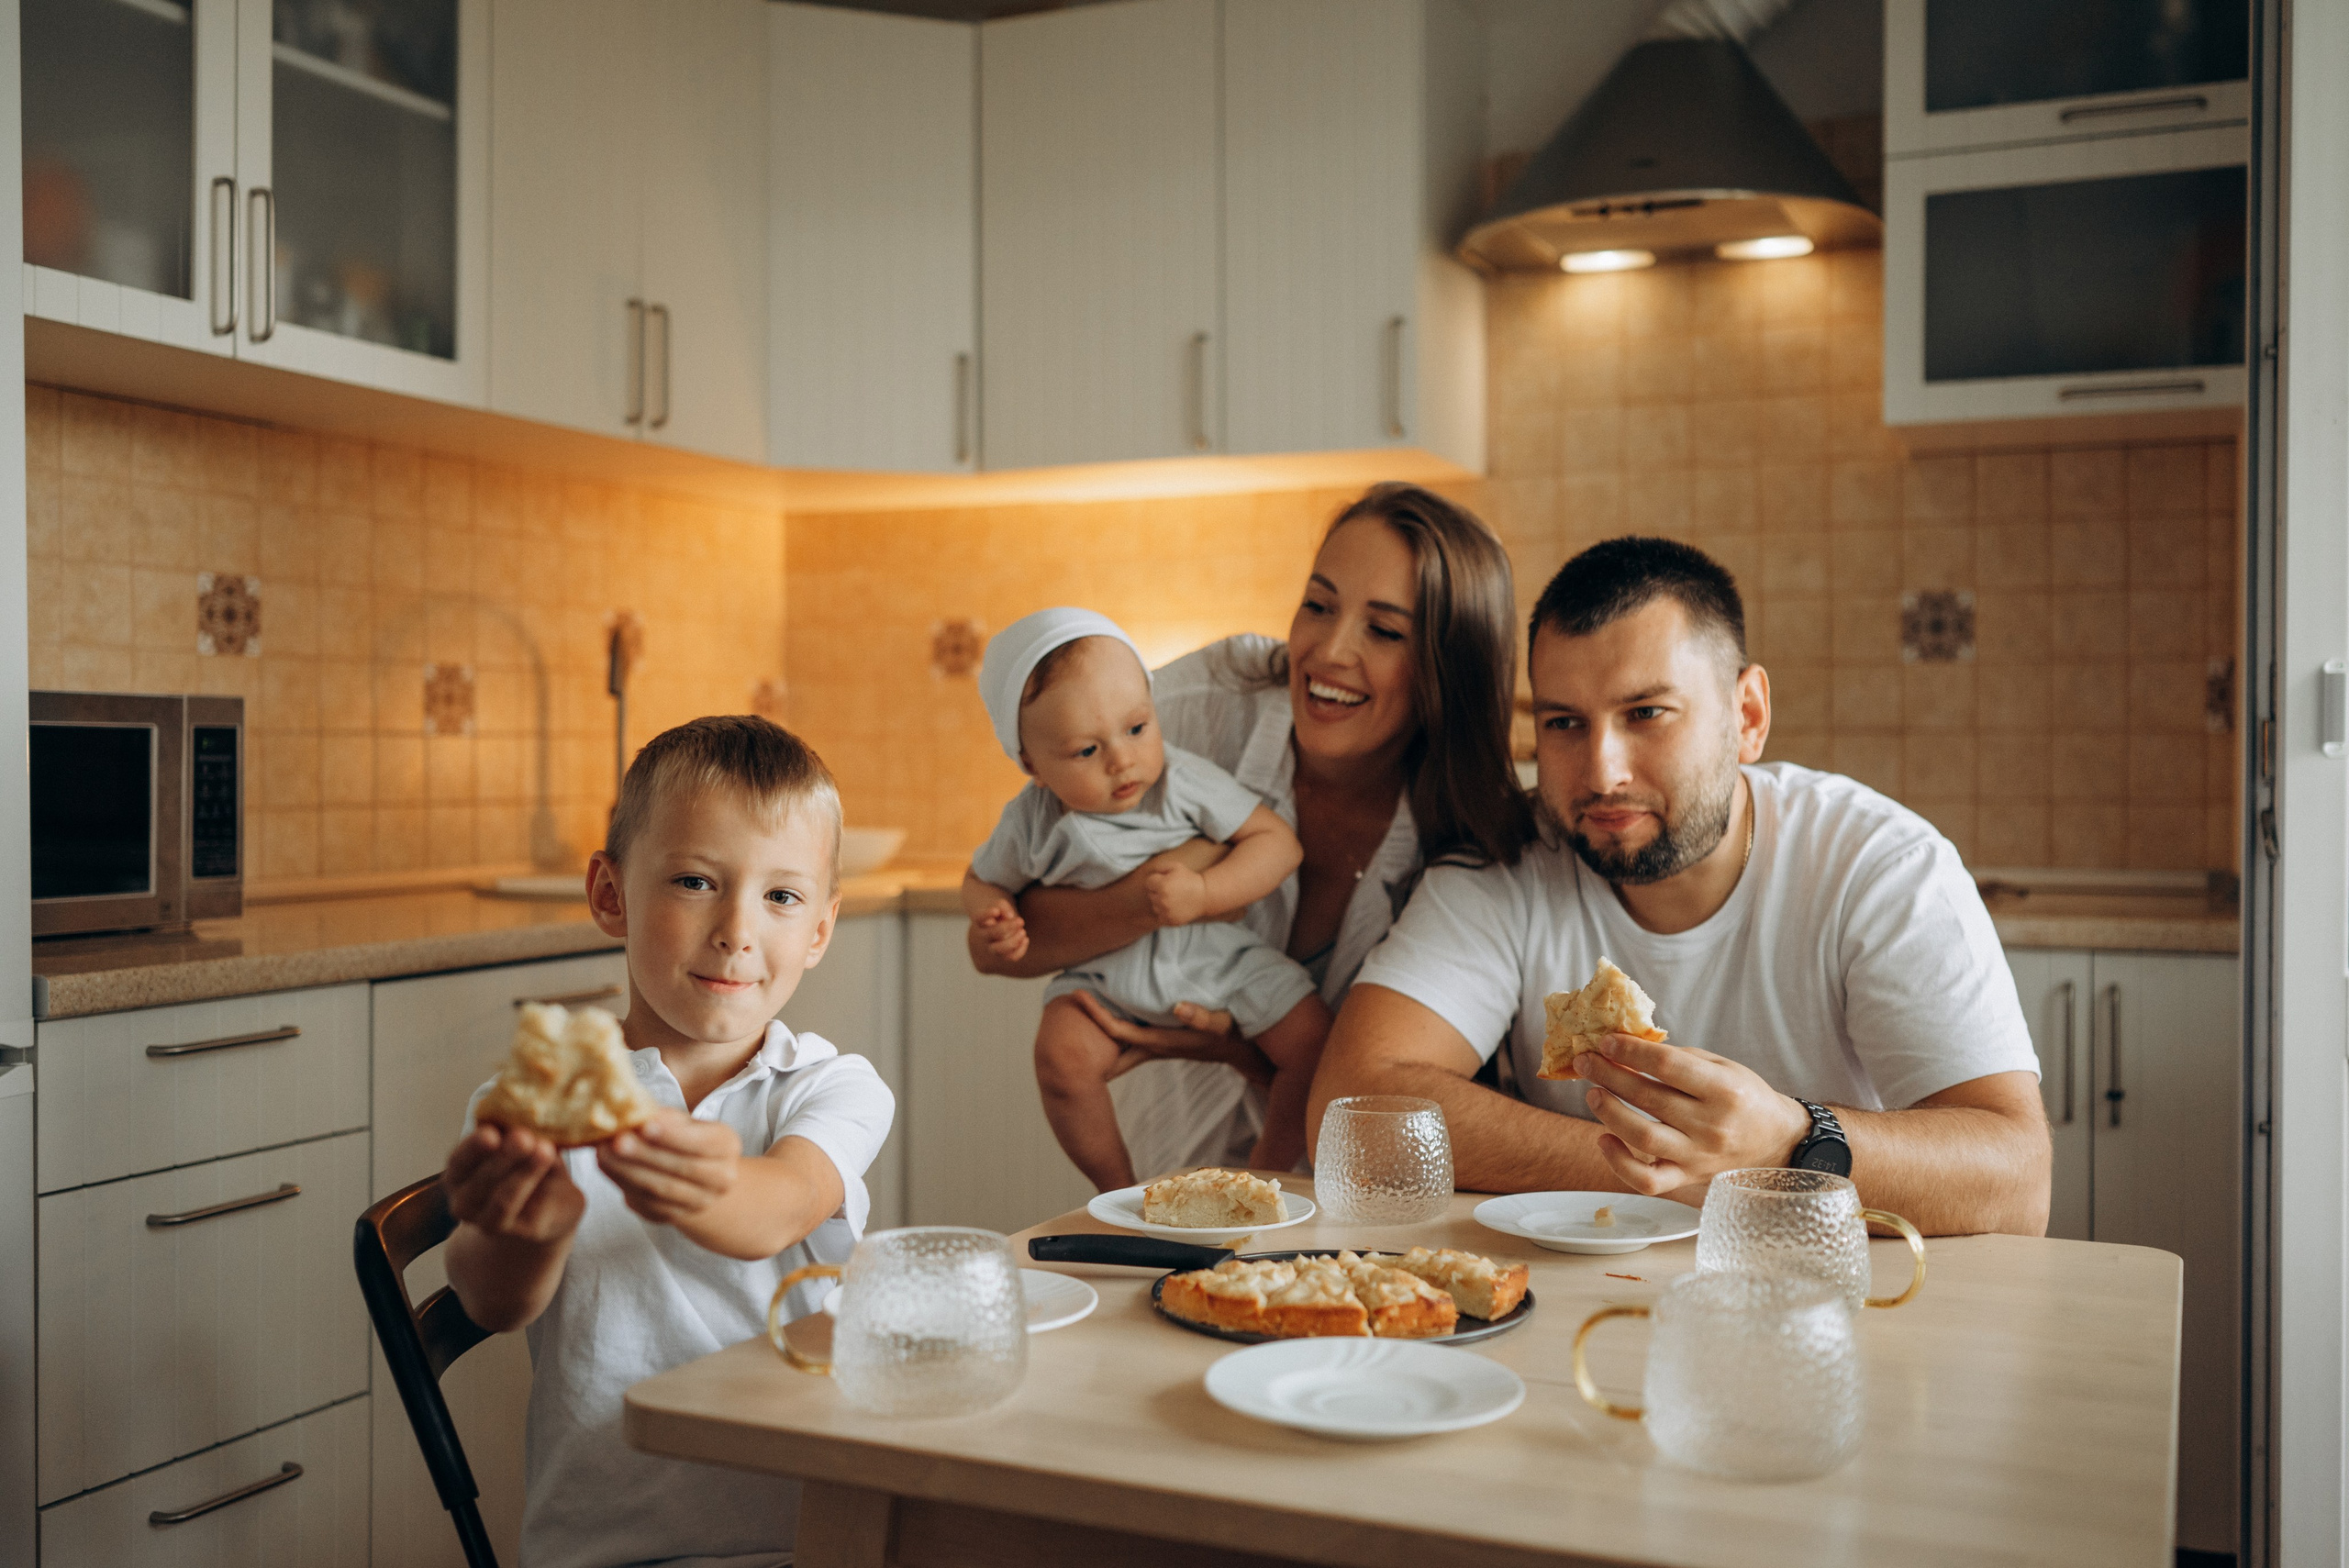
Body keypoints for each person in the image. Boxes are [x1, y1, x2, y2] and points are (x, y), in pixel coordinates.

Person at [1311, 537, 2049, 1236]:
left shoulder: (1881, 867)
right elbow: (1347, 1112)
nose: (1601, 772)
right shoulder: (1511, 857)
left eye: (1646, 714)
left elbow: (2018, 1180)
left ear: (1748, 715)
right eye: (1565, 722)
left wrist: (1792, 1140)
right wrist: (1704, 1176)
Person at [966, 484, 1530, 1181]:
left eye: (1384, 631)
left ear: (1451, 664)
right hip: (1167, 1164)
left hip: (1343, 1202)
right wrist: (1161, 893)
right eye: (1318, 606)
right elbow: (1005, 945)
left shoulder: (1474, 831)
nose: (1329, 650)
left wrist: (1240, 1047)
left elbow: (1421, 1097)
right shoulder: (1184, 713)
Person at [443, 717, 896, 1568]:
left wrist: (686, 1163)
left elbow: (782, 1203)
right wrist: (523, 1228)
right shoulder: (538, 1107)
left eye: (782, 897)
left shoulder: (833, 1087)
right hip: (614, 1547)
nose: (736, 929)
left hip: (813, 1530)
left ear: (821, 931)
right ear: (611, 894)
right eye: (694, 880)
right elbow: (490, 1300)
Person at [963, 608, 1330, 1187]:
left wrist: (1206, 892)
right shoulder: (1030, 821)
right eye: (1086, 751)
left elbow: (1278, 845)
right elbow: (983, 879)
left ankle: (1270, 1173)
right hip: (1104, 982)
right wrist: (991, 915)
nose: (1121, 759)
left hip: (1214, 957)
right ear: (1031, 765)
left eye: (1137, 729)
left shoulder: (1183, 779)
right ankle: (1119, 1192)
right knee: (1059, 1056)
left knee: (1312, 1043)